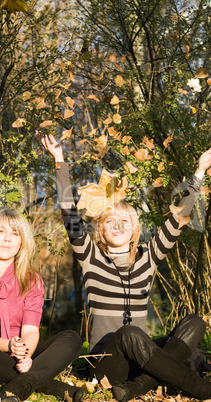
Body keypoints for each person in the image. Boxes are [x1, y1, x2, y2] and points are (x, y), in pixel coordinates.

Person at [37, 130, 211, 401]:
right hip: (107, 362)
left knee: (195, 323)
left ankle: (135, 387)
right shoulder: (91, 257)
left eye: (124, 221)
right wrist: (60, 160)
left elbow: (178, 220)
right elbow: (70, 215)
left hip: (140, 358)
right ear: (101, 230)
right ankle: (200, 388)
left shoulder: (147, 256)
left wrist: (199, 172)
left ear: (134, 230)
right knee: (130, 333)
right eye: (110, 221)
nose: (117, 225)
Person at [0, 209, 84, 402]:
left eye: (15, 233)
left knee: (71, 339)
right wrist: (10, 345)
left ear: (22, 242)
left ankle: (17, 387)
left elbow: (31, 331)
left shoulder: (32, 280)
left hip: (18, 359)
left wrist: (25, 355)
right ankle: (54, 388)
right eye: (1, 231)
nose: (7, 239)